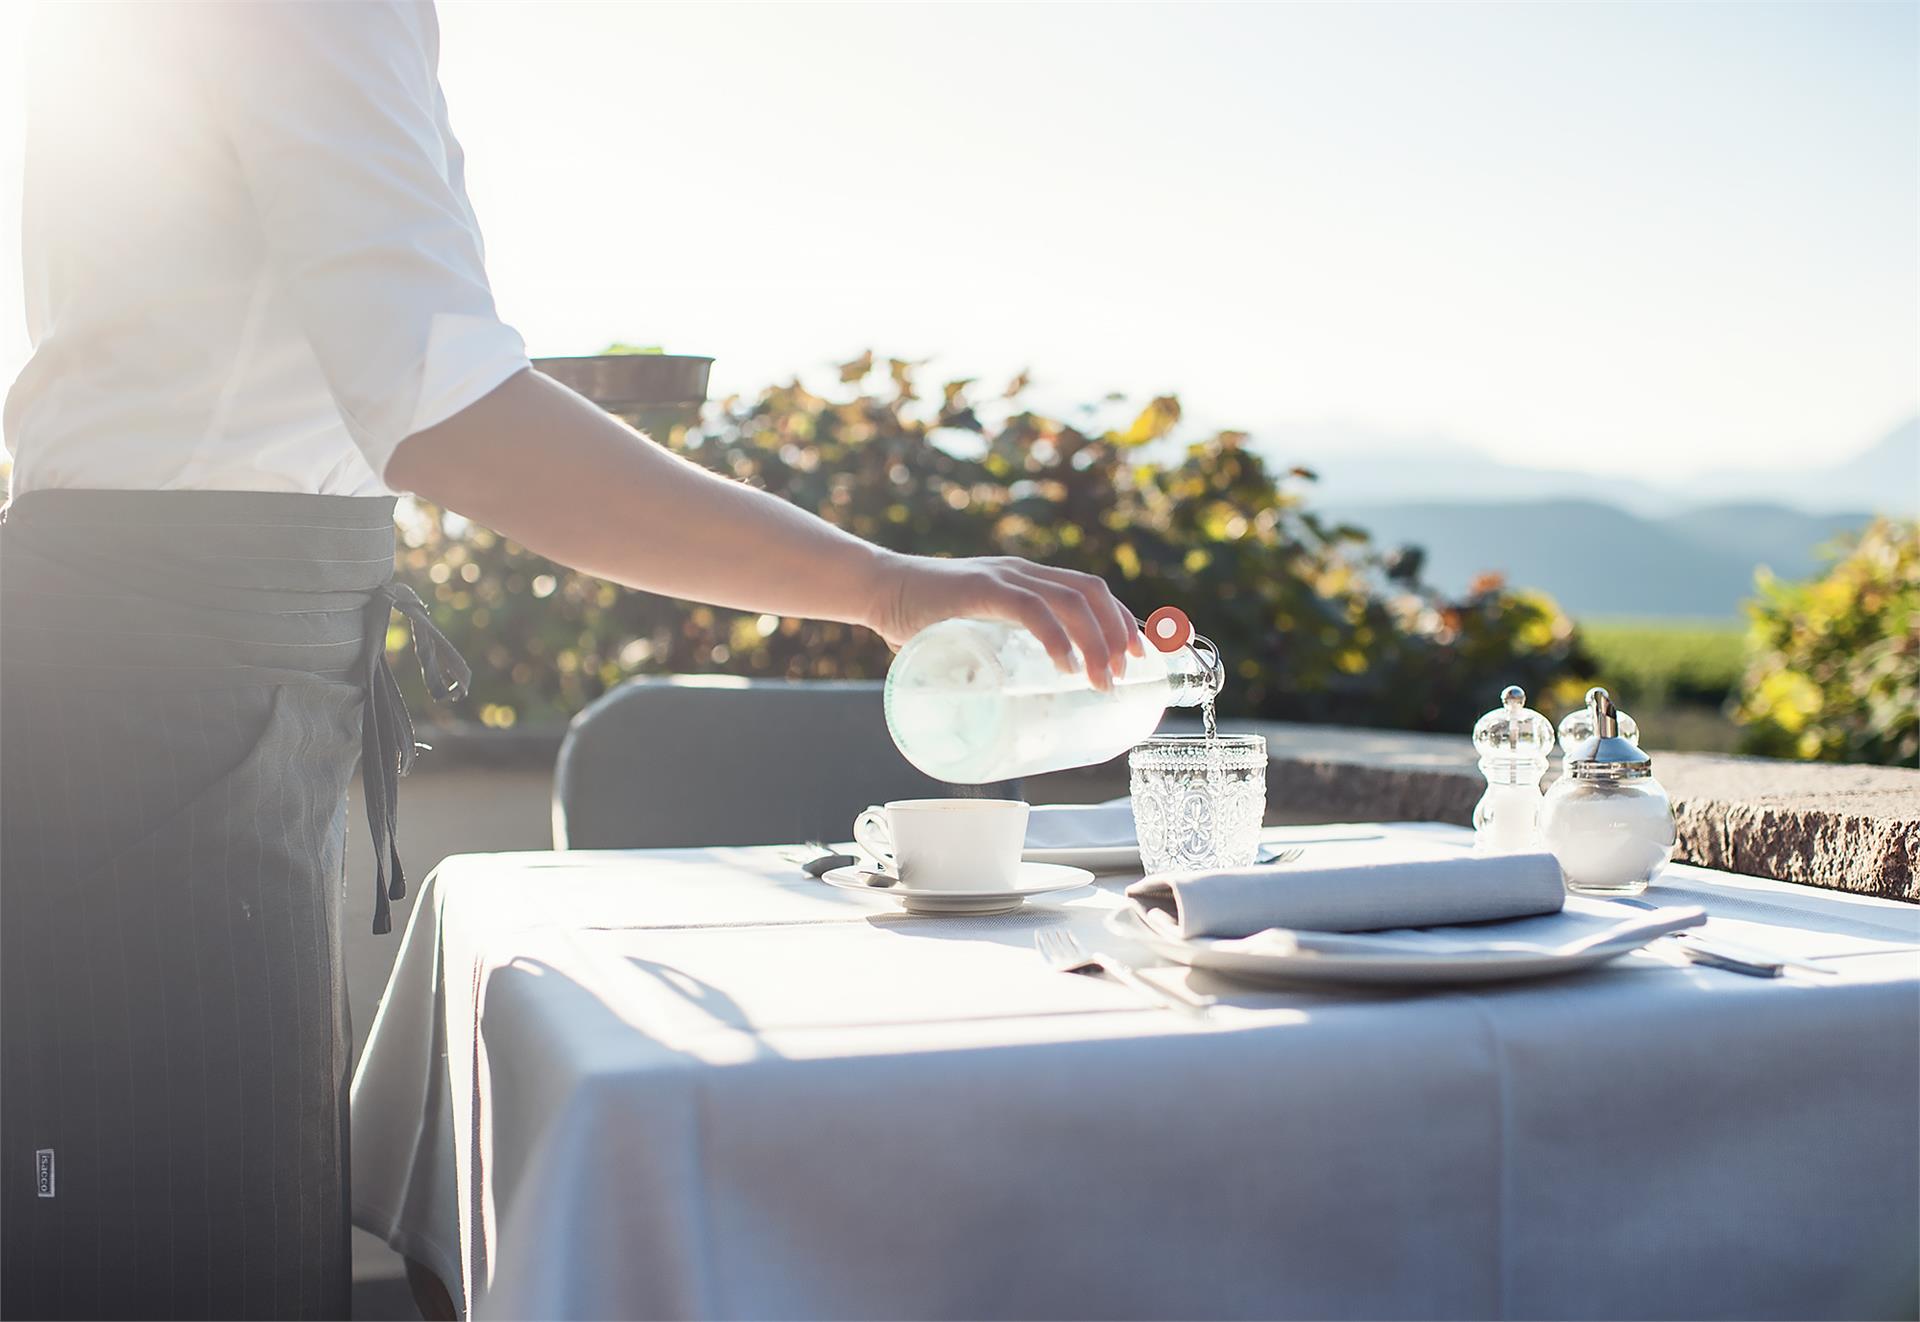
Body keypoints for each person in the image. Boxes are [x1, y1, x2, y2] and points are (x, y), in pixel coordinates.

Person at [0, 3, 1138, 1317]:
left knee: (206, 1227)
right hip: (162, 675)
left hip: (207, 651)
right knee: (165, 1243)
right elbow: (443, 409)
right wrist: (886, 586)